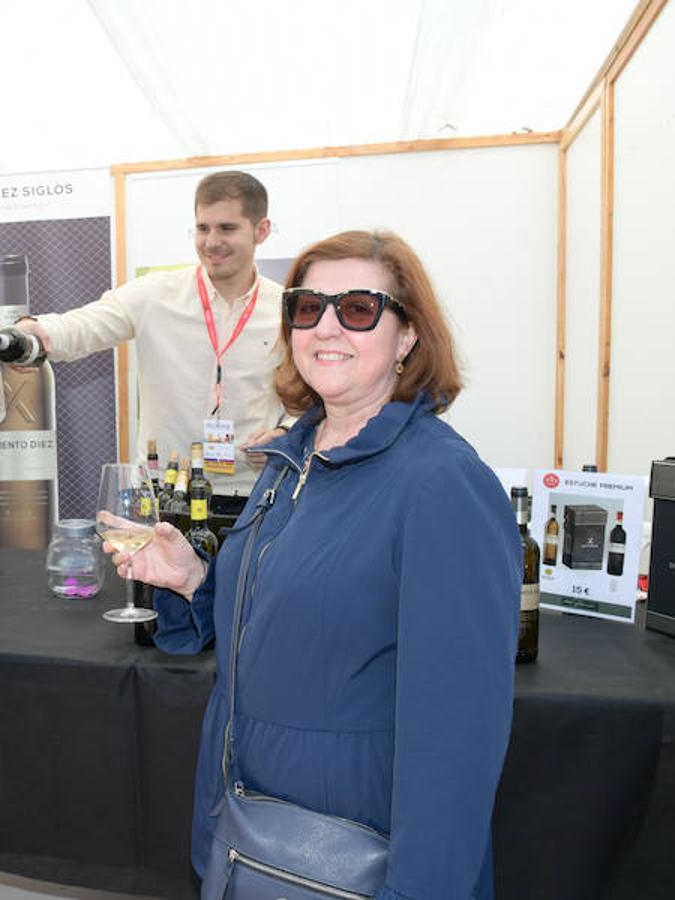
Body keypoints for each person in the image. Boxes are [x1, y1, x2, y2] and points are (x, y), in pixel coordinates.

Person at [109, 230, 520, 897]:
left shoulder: (441, 485)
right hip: (253, 830)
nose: (327, 326)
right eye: (307, 307)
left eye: (358, 308)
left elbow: (457, 737)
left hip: (354, 852)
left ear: (408, 333)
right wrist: (194, 579)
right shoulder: (290, 461)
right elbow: (296, 620)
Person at [14, 170, 289, 496]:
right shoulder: (156, 294)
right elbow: (84, 325)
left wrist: (285, 432)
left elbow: (309, 398)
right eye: (203, 228)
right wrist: (35, 331)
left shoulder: (289, 308)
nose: (212, 242)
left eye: (227, 228)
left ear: (262, 230)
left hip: (256, 495)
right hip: (164, 494)